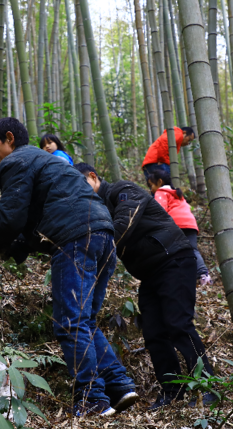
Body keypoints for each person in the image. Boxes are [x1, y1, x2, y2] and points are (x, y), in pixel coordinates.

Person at [0, 117, 138, 417]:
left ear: (9, 139)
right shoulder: (46, 162)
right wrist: (11, 250)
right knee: (85, 321)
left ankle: (92, 399)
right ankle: (119, 385)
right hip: (103, 233)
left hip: (75, 237)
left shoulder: (17, 161)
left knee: (70, 322)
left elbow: (12, 217)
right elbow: (28, 227)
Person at [74, 163, 215, 411]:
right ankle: (172, 391)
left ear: (93, 177)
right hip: (150, 273)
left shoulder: (123, 190)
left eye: (81, 184)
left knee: (178, 324)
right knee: (153, 332)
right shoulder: (93, 209)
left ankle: (207, 387)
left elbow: (125, 221)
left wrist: (98, 246)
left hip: (175, 259)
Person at [146, 165, 211, 286]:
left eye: (152, 185)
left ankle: (175, 275)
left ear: (159, 182)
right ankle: (204, 275)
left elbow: (160, 210)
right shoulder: (177, 193)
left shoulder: (161, 192)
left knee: (172, 251)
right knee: (193, 250)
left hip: (175, 224)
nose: (151, 189)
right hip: (190, 223)